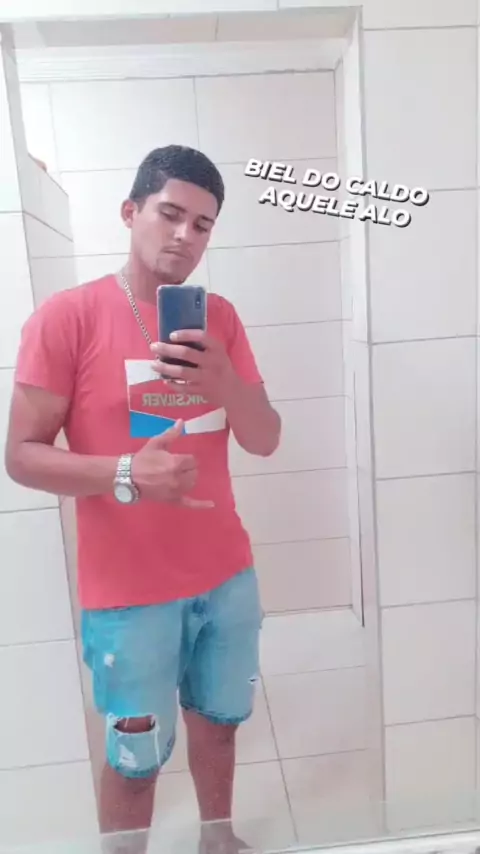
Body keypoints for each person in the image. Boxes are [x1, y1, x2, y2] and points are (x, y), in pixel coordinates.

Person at [5, 145, 281, 854]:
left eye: (203, 224)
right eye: (170, 214)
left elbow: (265, 439)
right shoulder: (67, 319)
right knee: (136, 762)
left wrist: (225, 383)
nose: (185, 235)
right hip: (129, 596)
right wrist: (126, 473)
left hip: (227, 577)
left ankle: (218, 842)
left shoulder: (220, 320)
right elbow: (21, 456)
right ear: (130, 212)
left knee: (220, 727)